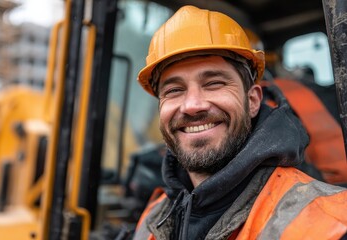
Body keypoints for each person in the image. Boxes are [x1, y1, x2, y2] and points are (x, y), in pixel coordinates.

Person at [133, 5, 347, 239]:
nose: (192, 105)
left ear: (253, 100)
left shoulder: (328, 224)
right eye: (174, 90)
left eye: (214, 83)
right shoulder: (152, 219)